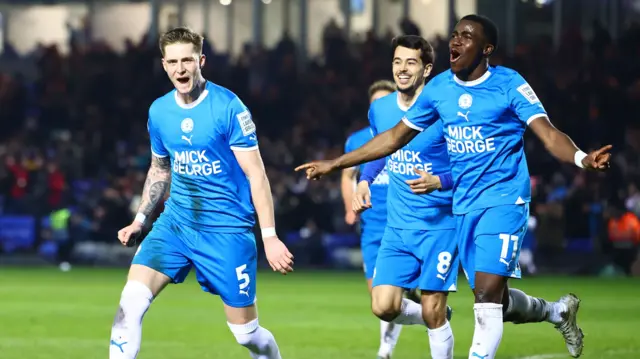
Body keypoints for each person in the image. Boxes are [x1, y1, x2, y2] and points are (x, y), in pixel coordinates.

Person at [296, 15, 613, 359]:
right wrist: (337, 163)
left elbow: (549, 134)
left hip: (503, 199)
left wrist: (582, 158)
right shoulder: (440, 89)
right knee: (497, 300)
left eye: (466, 36)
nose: (456, 42)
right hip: (463, 204)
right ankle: (556, 312)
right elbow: (392, 140)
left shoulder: (509, 84)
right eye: (454, 35)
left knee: (486, 299)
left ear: (487, 49)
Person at [110, 27, 293, 359]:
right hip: (176, 224)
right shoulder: (159, 112)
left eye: (187, 60)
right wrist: (140, 219)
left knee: (246, 335)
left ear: (201, 61)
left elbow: (257, 174)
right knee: (130, 304)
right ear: (164, 66)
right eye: (173, 62)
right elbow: (159, 169)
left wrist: (270, 237)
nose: (180, 69)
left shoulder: (229, 108)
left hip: (227, 231)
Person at [353, 35, 457, 359]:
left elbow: (471, 165)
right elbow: (383, 148)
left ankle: (436, 319)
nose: (402, 69)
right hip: (398, 228)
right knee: (383, 306)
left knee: (432, 308)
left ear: (426, 69)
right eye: (397, 62)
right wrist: (364, 180)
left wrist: (439, 180)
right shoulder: (380, 110)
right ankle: (434, 319)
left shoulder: (444, 111)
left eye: (411, 62)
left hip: (439, 226)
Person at [341, 80, 404, 359]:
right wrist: (349, 207)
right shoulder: (357, 140)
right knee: (379, 299)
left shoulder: (411, 134)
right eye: (375, 103)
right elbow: (347, 176)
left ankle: (385, 350)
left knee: (397, 292)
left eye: (385, 101)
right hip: (372, 227)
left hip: (405, 224)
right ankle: (428, 317)